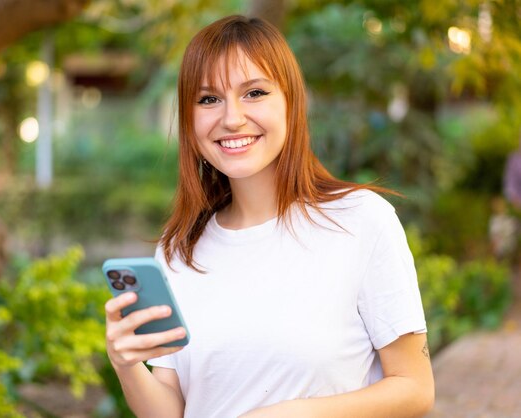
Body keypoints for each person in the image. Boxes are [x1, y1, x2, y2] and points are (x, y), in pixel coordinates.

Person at [104, 15, 434, 418]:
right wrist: (126, 364)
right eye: (208, 99)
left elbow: (414, 389)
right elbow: (169, 412)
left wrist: (293, 413)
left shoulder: (361, 220)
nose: (232, 118)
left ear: (291, 103)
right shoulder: (178, 251)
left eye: (255, 92)